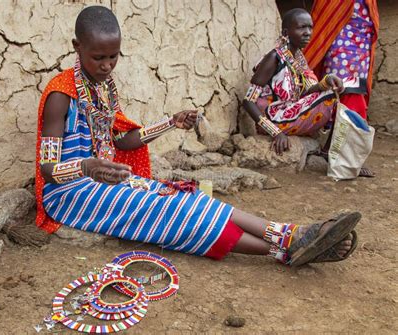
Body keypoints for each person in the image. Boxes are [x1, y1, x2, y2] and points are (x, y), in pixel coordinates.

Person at [35, 6, 359, 267]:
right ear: (77, 47)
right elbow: (48, 171)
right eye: (98, 58)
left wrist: (171, 123)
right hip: (69, 194)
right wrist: (88, 167)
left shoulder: (102, 88)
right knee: (168, 213)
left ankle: (291, 238)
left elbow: (121, 142)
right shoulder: (60, 95)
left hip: (100, 179)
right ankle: (291, 244)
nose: (107, 66)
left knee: (185, 200)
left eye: (113, 57)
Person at [242, 8, 358, 156]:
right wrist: (276, 133)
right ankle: (331, 153)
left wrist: (327, 81)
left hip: (290, 112)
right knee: (333, 96)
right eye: (302, 27)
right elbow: (248, 101)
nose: (308, 32)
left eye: (310, 27)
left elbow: (307, 90)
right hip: (274, 119)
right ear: (285, 33)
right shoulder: (274, 58)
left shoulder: (298, 57)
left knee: (347, 86)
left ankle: (329, 152)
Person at [303, 0, 379, 177]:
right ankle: (340, 155)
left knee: (354, 92)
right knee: (341, 92)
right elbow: (328, 11)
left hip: (363, 41)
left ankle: (336, 152)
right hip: (341, 40)